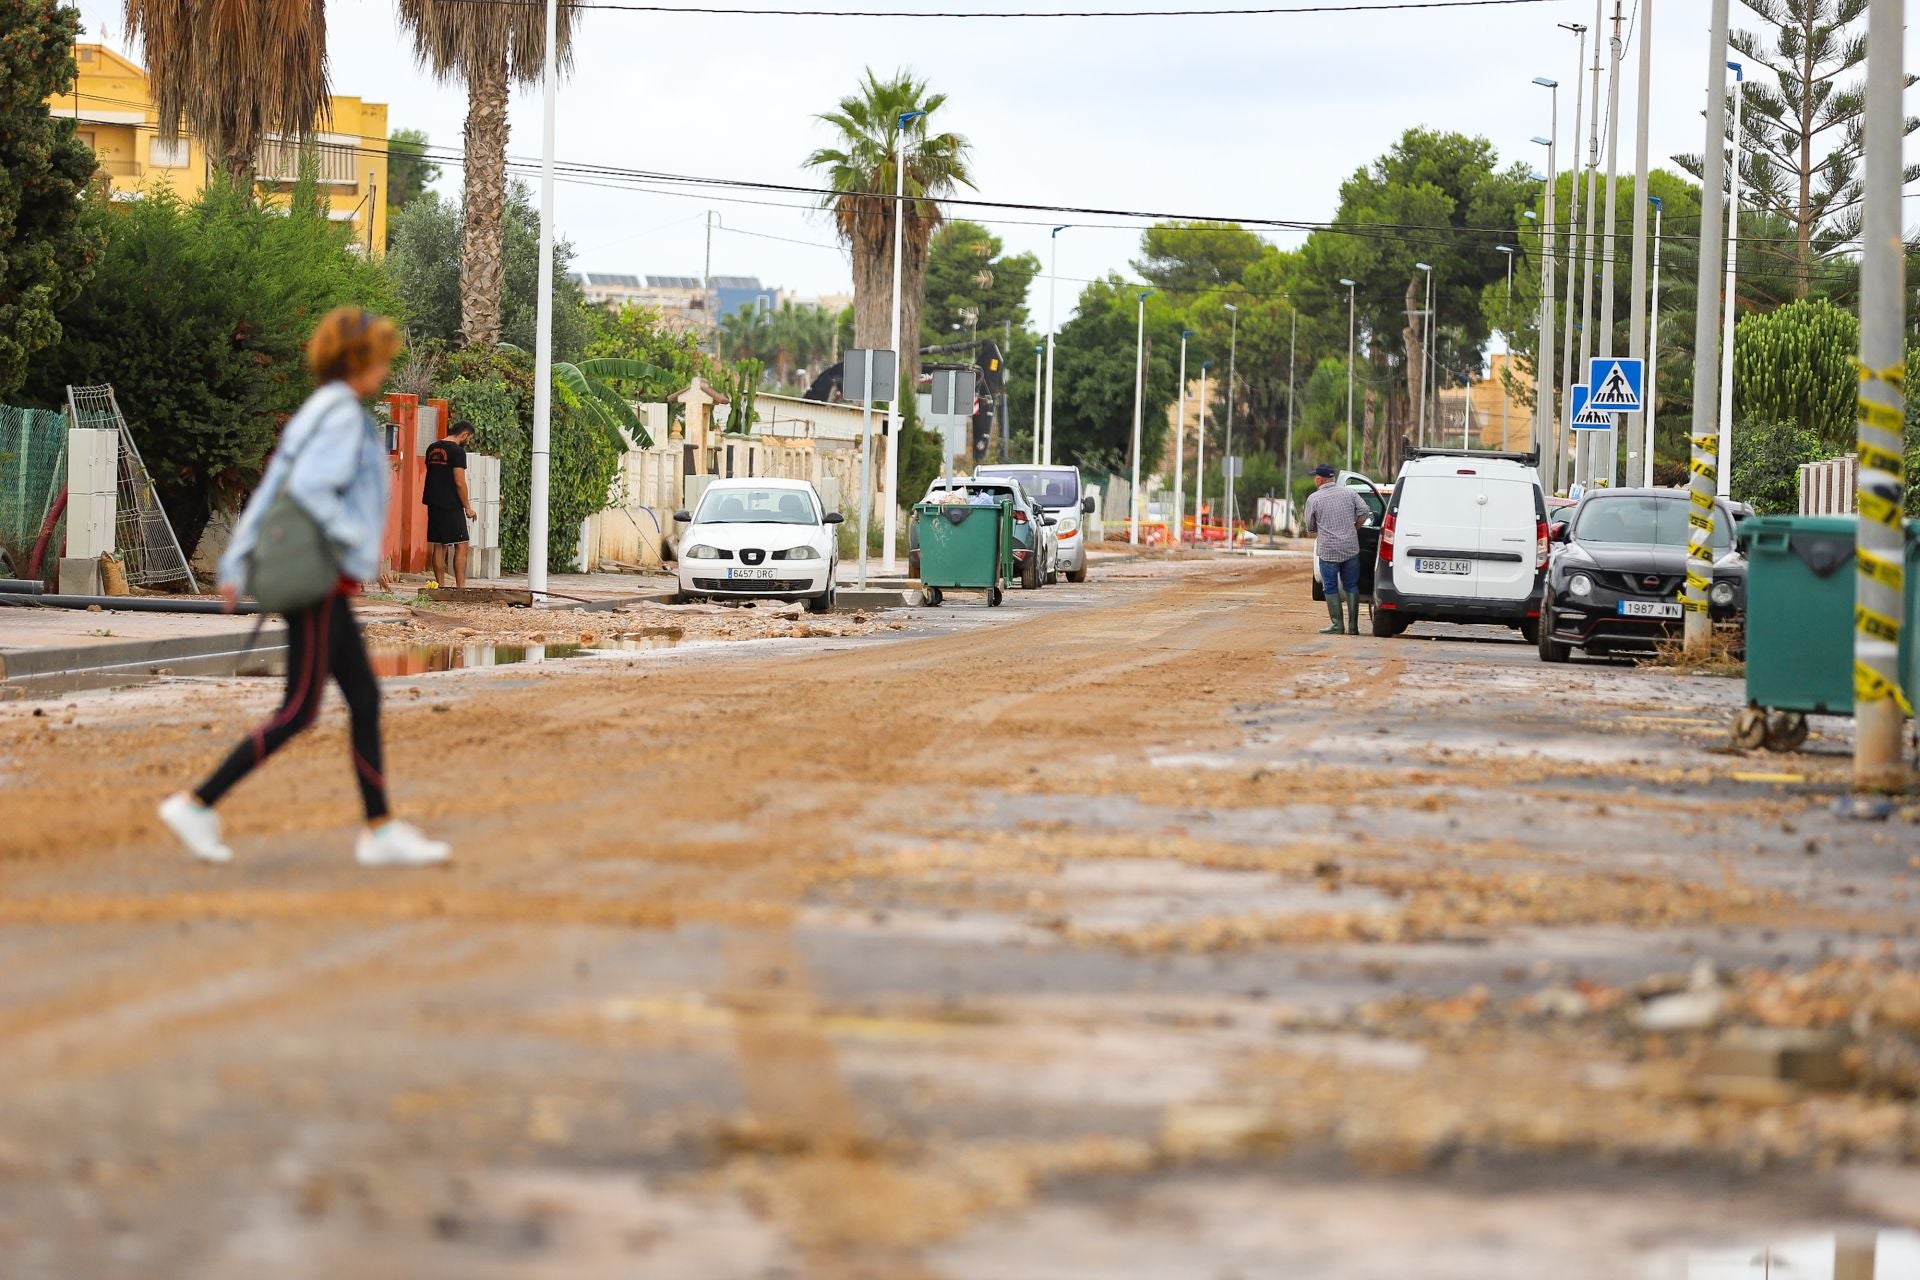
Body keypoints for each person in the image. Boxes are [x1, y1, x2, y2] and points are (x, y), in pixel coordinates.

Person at [158, 308, 451, 868]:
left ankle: (380, 831)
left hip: (324, 579)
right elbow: (311, 492)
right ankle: (197, 804)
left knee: (363, 697)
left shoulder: (320, 410)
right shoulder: (341, 416)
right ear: (359, 359)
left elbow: (272, 489)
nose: (386, 366)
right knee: (299, 708)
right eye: (381, 356)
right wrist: (354, 544)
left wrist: (237, 563)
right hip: (317, 577)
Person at [1303, 463, 1371, 635]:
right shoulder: (1350, 492)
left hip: (1328, 550)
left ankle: (1337, 625)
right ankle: (1353, 627)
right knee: (1351, 585)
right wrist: (1355, 527)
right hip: (1350, 547)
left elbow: (1310, 527)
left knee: (1330, 586)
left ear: (1319, 480)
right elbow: (1364, 510)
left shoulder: (1314, 499)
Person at [423, 419, 477, 588]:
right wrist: (467, 507)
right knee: (462, 544)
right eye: (469, 438)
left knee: (439, 545)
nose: (468, 442)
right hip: (451, 503)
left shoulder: (432, 448)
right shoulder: (457, 451)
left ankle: (440, 587)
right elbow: (459, 482)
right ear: (464, 434)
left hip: (433, 501)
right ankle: (460, 587)